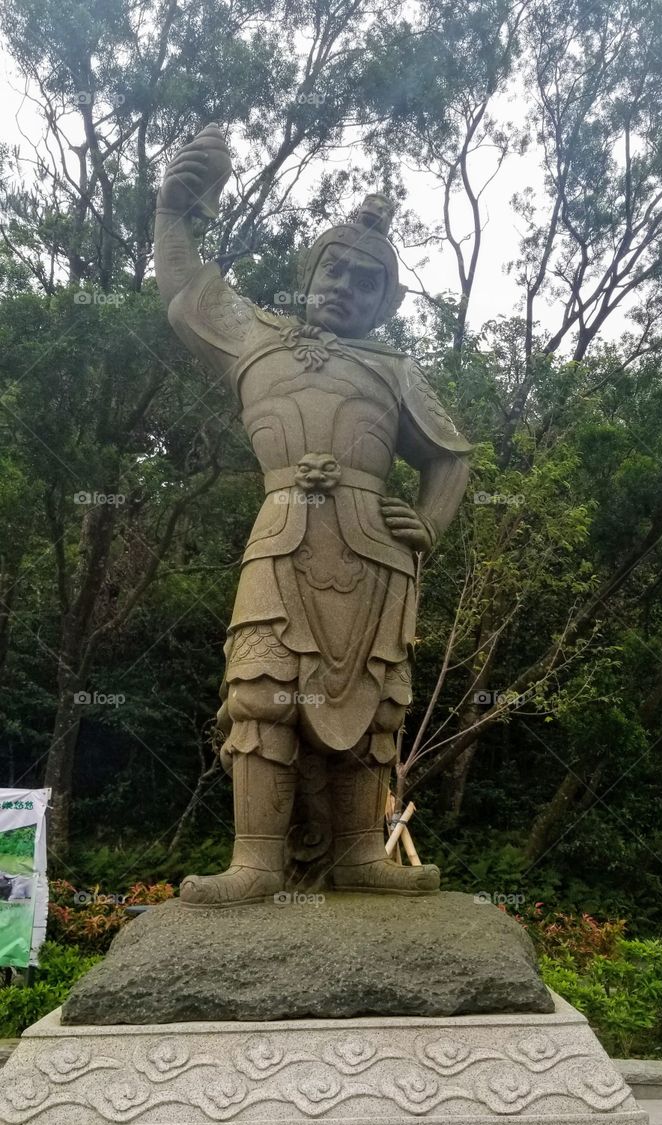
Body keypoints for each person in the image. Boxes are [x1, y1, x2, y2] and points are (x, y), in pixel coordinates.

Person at [154, 125, 471, 906]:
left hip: (372, 554)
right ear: (309, 268)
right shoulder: (253, 338)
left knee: (377, 699)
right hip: (281, 539)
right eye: (336, 268)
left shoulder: (394, 369)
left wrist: (427, 525)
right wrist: (174, 210)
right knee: (260, 689)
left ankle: (363, 854)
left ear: (387, 300)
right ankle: (256, 861)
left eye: (369, 282)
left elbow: (451, 456)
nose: (347, 287)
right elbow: (181, 289)